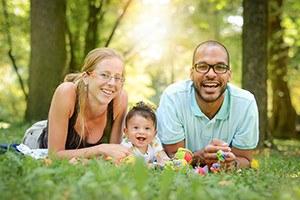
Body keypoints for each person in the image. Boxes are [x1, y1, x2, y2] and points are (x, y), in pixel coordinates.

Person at [156, 40, 259, 169]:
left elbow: (245, 159)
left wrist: (232, 163)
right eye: (202, 66)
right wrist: (201, 157)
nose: (211, 74)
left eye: (220, 67)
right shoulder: (172, 97)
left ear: (229, 75)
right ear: (191, 73)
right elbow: (172, 155)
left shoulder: (246, 103)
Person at [37, 47, 130, 161]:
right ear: (86, 77)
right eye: (104, 75)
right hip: (39, 143)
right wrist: (100, 149)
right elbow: (54, 154)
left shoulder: (120, 98)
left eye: (117, 77)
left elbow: (113, 154)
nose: (112, 83)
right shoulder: (66, 92)